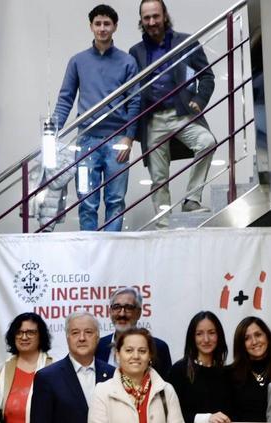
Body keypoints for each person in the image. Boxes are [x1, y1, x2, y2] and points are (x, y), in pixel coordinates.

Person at [53, 4, 142, 231]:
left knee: (115, 201)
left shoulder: (127, 62)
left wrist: (129, 138)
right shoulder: (77, 61)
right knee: (86, 200)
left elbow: (135, 101)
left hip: (117, 141)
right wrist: (53, 135)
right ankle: (89, 252)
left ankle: (111, 253)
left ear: (115, 27)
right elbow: (65, 99)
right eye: (98, 24)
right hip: (86, 142)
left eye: (107, 24)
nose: (102, 29)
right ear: (91, 26)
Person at [130, 0, 216, 216]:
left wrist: (199, 99)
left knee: (207, 142)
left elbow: (206, 75)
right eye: (146, 18)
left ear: (164, 15)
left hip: (181, 114)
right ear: (141, 20)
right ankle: (163, 225)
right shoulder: (135, 52)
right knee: (159, 178)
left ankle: (192, 200)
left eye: (155, 16)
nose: (151, 22)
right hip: (152, 120)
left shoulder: (185, 42)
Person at [96, 287, 172, 377]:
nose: (122, 314)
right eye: (117, 307)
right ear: (110, 311)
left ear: (138, 313)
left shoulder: (158, 347)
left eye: (128, 308)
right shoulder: (98, 346)